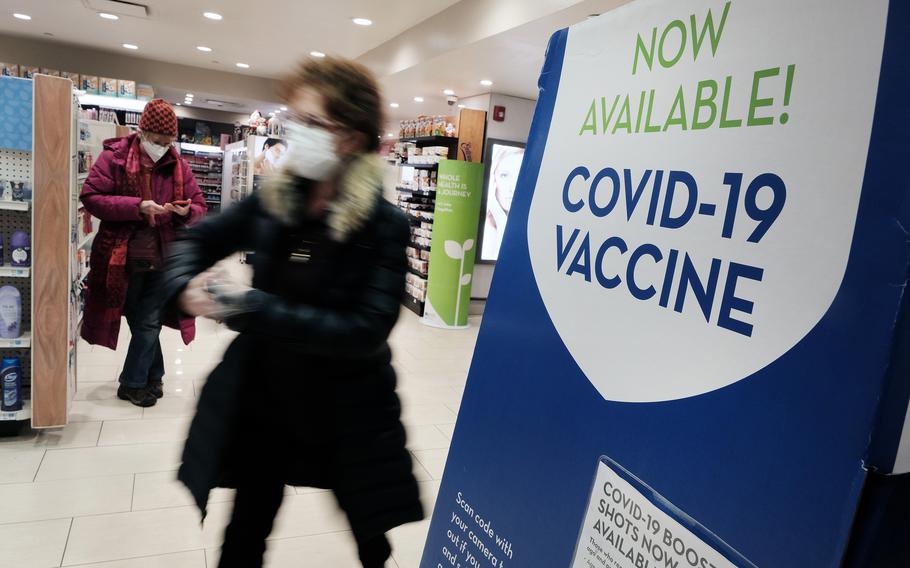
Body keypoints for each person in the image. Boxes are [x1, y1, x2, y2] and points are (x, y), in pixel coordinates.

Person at [162, 57, 423, 567]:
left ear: (350, 136)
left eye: (312, 123)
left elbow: (366, 329)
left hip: (349, 408)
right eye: (294, 119)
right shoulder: (276, 200)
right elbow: (199, 238)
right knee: (245, 531)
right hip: (267, 399)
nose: (294, 133)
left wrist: (251, 308)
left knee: (370, 532)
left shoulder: (383, 225)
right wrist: (185, 285)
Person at [80, 99, 207, 407]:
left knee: (148, 319)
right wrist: (136, 207)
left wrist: (184, 212)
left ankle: (133, 383)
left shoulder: (179, 165)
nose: (162, 147)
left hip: (164, 255)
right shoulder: (115, 157)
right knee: (139, 319)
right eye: (157, 141)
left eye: (168, 142)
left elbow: (200, 206)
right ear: (143, 131)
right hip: (121, 256)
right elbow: (92, 196)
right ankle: (153, 375)